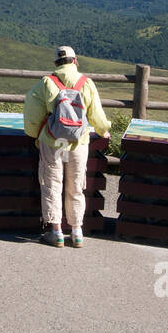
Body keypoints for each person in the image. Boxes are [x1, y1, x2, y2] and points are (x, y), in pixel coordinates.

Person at [23, 45, 111, 248]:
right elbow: (96, 114)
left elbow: (32, 108)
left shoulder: (47, 82)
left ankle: (56, 232)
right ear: (75, 60)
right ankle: (77, 231)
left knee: (52, 184)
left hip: (52, 141)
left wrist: (35, 133)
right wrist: (103, 129)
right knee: (76, 185)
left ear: (56, 63)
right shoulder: (86, 83)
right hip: (78, 142)